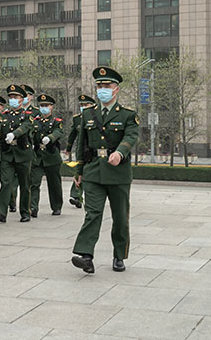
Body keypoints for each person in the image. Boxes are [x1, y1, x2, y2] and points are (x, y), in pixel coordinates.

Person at [71, 66, 139, 274]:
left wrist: (120, 152)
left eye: (106, 85)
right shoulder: (88, 114)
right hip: (93, 171)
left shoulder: (128, 115)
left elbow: (131, 136)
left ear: (116, 89)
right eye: (99, 85)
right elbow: (82, 144)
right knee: (92, 214)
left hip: (118, 173)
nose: (102, 89)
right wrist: (78, 171)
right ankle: (86, 256)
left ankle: (119, 256)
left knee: (120, 217)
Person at [0, 85, 35, 223]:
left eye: (16, 97)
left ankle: (25, 212)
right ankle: (1, 211)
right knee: (6, 182)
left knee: (25, 185)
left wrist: (14, 134)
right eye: (11, 97)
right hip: (8, 153)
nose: (13, 99)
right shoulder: (4, 116)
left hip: (23, 153)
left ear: (22, 99)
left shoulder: (28, 116)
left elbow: (26, 127)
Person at [29, 93, 64, 217]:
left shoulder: (56, 121)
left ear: (52, 107)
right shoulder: (35, 121)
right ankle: (33, 207)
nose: (44, 107)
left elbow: (58, 131)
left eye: (46, 105)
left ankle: (56, 206)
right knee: (34, 183)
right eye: (42, 105)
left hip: (51, 156)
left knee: (54, 183)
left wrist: (50, 138)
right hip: (38, 156)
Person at [67, 95, 96, 208]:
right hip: (81, 150)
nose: (83, 107)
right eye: (81, 105)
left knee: (90, 173)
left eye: (86, 105)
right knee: (78, 172)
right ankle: (76, 196)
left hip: (93, 150)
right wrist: (68, 148)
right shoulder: (77, 118)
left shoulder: (97, 117)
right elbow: (72, 134)